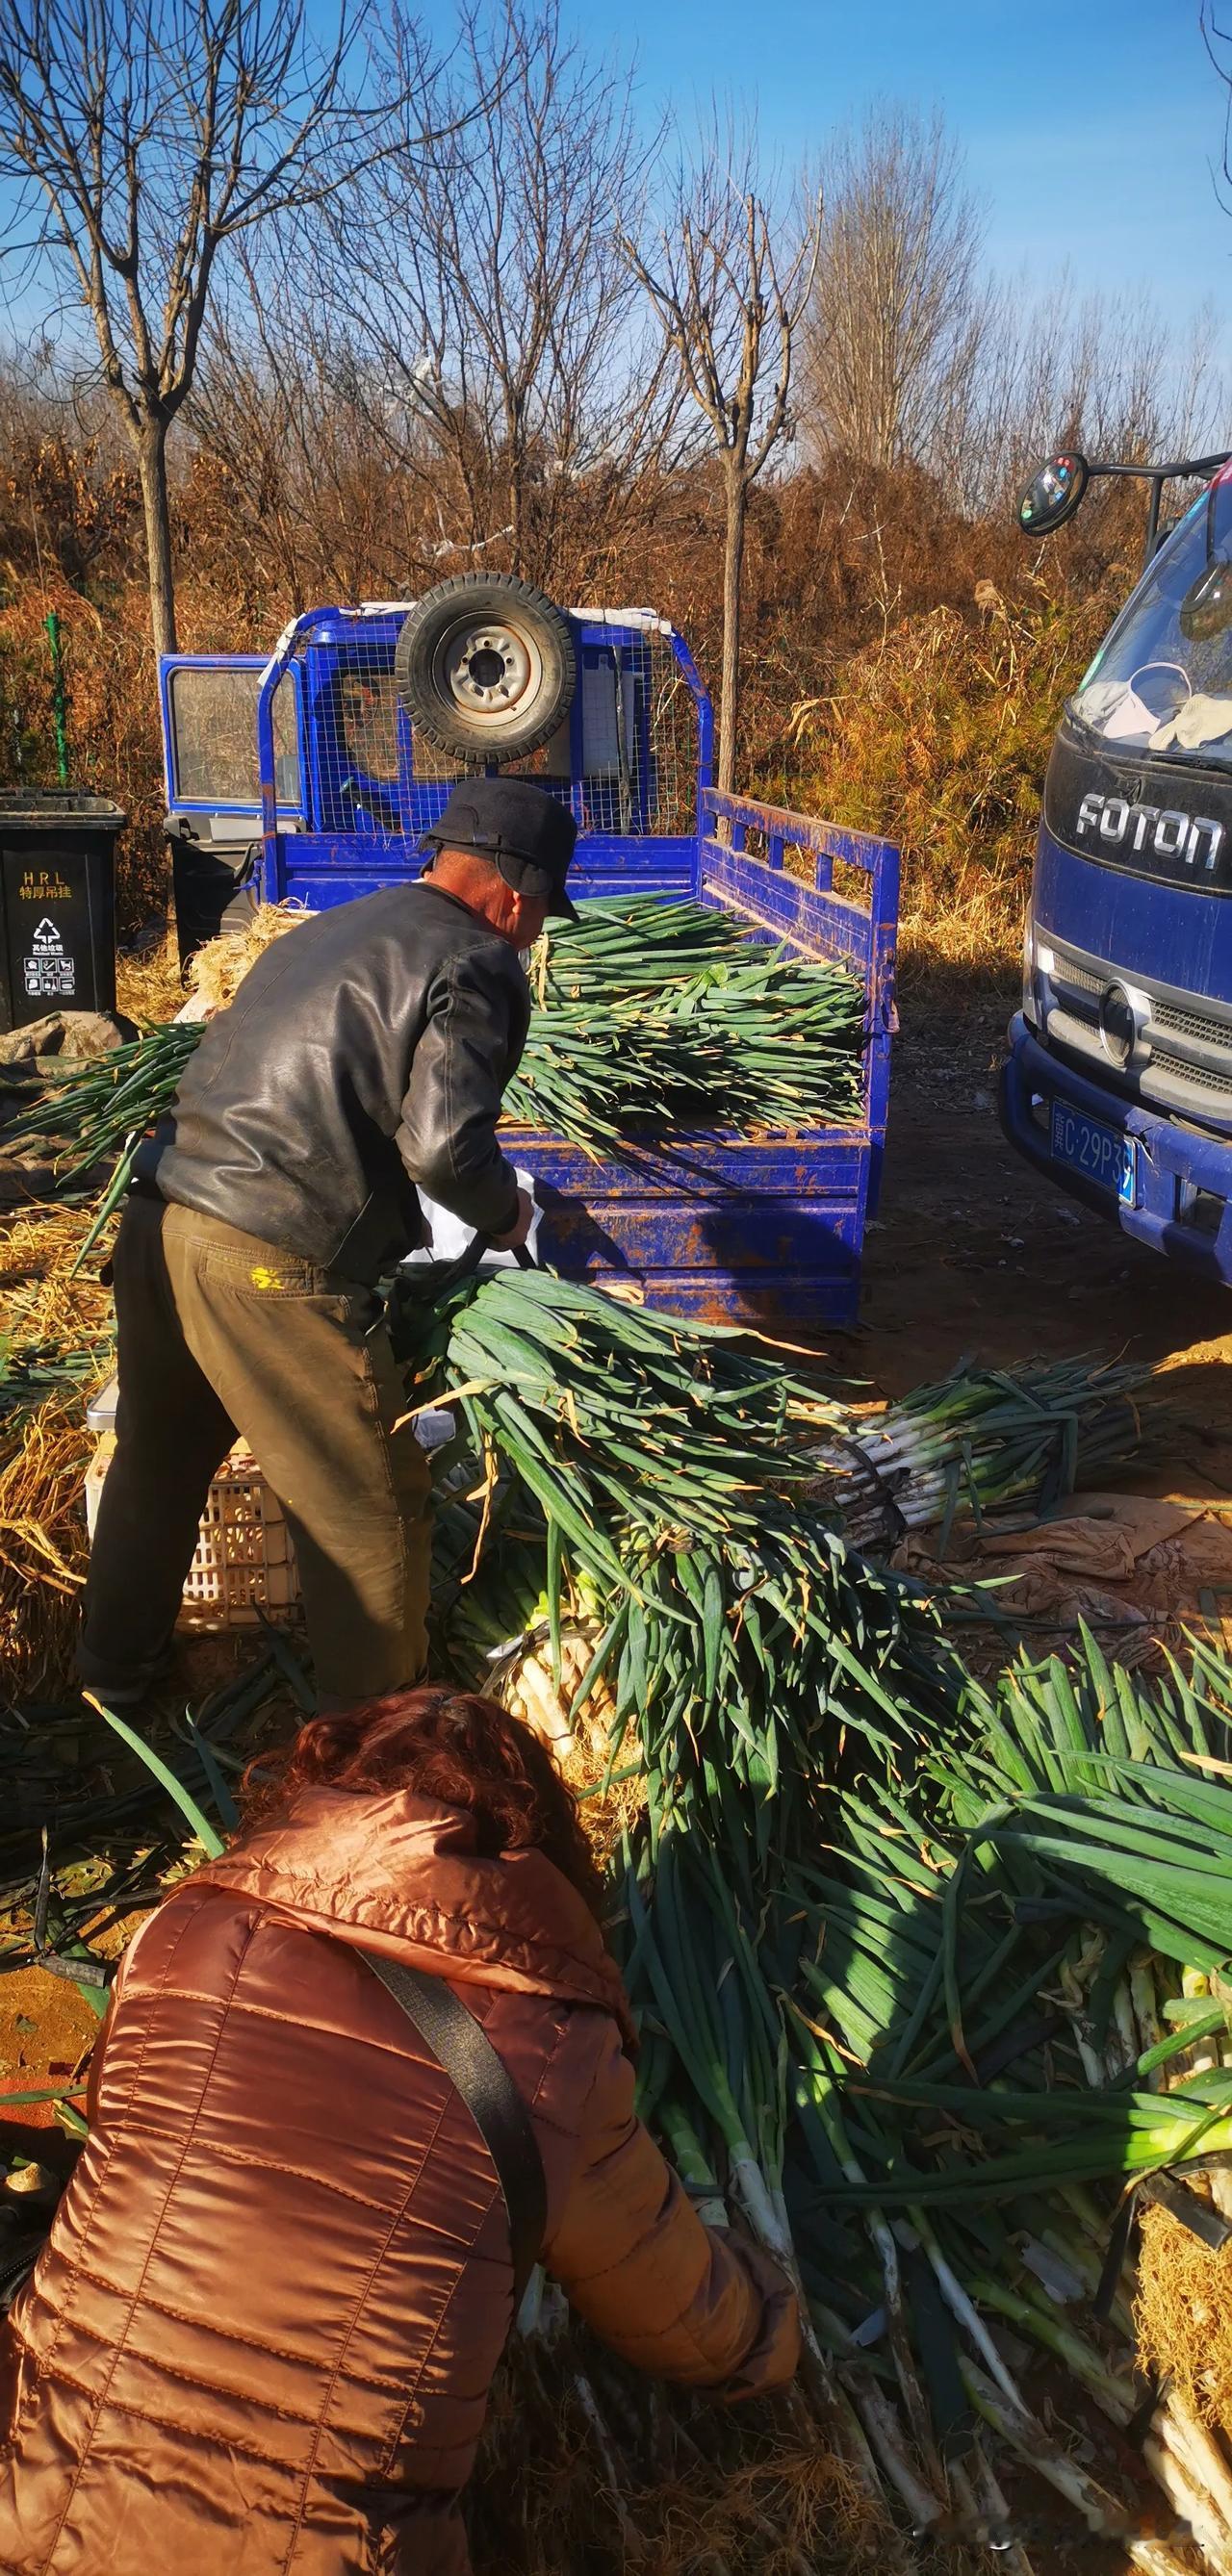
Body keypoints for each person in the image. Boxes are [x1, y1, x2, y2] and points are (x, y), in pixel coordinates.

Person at [0, 1687, 799, 2576]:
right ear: (536, 1858)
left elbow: (125, 2139)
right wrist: (772, 2325)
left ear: (331, 1787)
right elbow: (682, 2312)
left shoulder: (184, 1929)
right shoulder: (557, 2047)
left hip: (29, 2486)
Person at [78, 778, 579, 1713]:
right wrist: (504, 1210)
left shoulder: (330, 929)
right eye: (542, 910)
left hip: (158, 1216)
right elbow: (441, 1147)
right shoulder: (477, 959)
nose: (536, 929)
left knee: (159, 1461)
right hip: (265, 1255)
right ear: (515, 895)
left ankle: (113, 1688)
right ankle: (373, 1759)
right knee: (369, 1513)